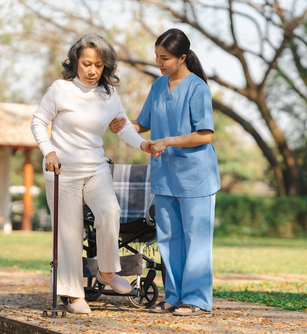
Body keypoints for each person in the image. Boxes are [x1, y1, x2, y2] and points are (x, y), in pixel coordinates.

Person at [31, 33, 155, 314]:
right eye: (86, 63)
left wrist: (144, 144)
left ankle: (107, 272)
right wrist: (48, 151)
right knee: (70, 234)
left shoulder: (109, 95)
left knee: (110, 211)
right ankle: (74, 296)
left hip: (95, 168)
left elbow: (122, 127)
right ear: (76, 62)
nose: (92, 70)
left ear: (105, 67)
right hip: (62, 170)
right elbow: (39, 122)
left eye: (98, 65)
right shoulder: (60, 90)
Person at [109, 28, 220, 316]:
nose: (159, 62)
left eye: (165, 58)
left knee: (196, 240)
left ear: (182, 57)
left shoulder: (198, 88)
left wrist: (169, 140)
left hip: (196, 176)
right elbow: (143, 122)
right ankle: (173, 297)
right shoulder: (158, 86)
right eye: (157, 57)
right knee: (169, 240)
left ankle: (196, 300)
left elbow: (205, 135)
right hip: (165, 175)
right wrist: (123, 125)